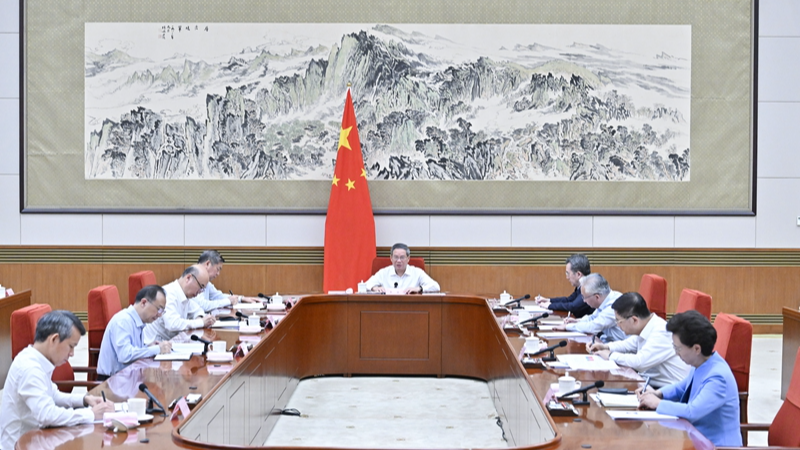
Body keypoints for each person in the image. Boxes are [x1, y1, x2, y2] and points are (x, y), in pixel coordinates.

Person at [0, 311, 115, 450]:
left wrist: (85, 400)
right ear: (54, 339)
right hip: (21, 445)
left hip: (40, 438)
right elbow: (47, 415)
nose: (72, 354)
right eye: (71, 346)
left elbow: (53, 395)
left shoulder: (36, 358)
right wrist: (91, 414)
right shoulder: (30, 368)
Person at [637, 310, 742, 447]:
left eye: (678, 348)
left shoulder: (718, 377)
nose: (675, 353)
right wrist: (658, 393)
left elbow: (692, 412)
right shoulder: (701, 363)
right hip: (695, 439)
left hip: (716, 446)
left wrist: (657, 403)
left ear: (696, 349)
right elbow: (682, 387)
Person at [587, 292, 690, 388]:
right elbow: (629, 344)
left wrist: (610, 355)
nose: (617, 325)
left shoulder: (661, 332)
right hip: (649, 385)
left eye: (619, 321)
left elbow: (639, 362)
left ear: (634, 320)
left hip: (668, 392)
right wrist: (606, 347)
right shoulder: (647, 325)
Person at [96, 285, 173, 380]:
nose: (160, 315)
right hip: (112, 382)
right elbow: (125, 355)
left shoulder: (138, 321)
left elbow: (131, 349)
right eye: (159, 309)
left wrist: (148, 347)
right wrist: (157, 349)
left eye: (162, 311)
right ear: (144, 302)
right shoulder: (123, 321)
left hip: (128, 378)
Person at [143, 265, 215, 344]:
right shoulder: (168, 293)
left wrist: (200, 318)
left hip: (171, 343)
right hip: (154, 348)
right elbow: (172, 324)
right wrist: (200, 322)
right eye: (201, 286)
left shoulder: (185, 294)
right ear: (188, 278)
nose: (201, 291)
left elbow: (198, 310)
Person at [557, 273, 626, 342]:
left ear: (596, 297)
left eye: (584, 297)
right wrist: (577, 321)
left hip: (620, 348)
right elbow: (593, 317)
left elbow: (593, 327)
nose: (584, 301)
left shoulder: (615, 305)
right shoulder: (606, 298)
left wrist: (567, 327)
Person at [193, 250, 260, 312]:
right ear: (208, 264)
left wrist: (241, 298)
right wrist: (228, 301)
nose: (218, 274)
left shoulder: (205, 281)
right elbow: (203, 306)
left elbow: (217, 296)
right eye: (218, 269)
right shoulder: (193, 278)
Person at [365, 243, 440, 294]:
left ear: (408, 258)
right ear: (391, 258)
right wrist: (374, 288)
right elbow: (365, 285)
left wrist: (419, 288)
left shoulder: (417, 272)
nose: (399, 261)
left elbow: (435, 286)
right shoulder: (383, 273)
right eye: (396, 257)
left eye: (402, 257)